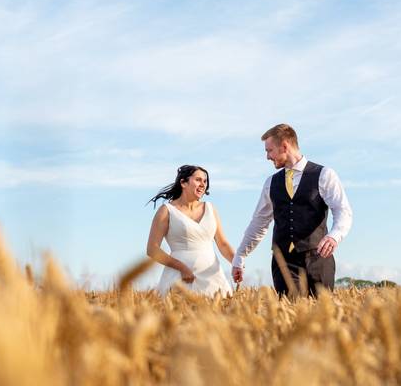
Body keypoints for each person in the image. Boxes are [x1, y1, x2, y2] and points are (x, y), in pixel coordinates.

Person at [231, 124, 353, 297]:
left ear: (285, 146)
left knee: (321, 319)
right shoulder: (270, 183)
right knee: (290, 317)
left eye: (270, 150)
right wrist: (240, 255)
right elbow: (259, 223)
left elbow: (343, 211)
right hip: (284, 263)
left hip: (318, 259)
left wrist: (334, 235)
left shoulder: (324, 175)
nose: (267, 157)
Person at [146, 164, 235, 297]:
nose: (203, 184)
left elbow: (222, 243)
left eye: (205, 181)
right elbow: (152, 249)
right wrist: (181, 268)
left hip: (212, 278)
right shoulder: (166, 211)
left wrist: (237, 263)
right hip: (180, 278)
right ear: (183, 183)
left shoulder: (210, 208)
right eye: (198, 180)